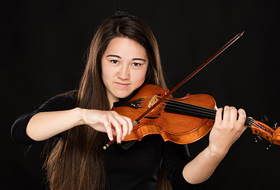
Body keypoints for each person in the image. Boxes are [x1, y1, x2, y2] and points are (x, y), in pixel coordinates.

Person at [11, 12, 247, 190]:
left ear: (148, 67)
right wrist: (82, 115)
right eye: (114, 61)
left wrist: (216, 150)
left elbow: (181, 179)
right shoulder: (73, 104)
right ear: (98, 62)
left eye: (136, 64)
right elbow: (21, 131)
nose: (124, 74)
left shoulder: (161, 111)